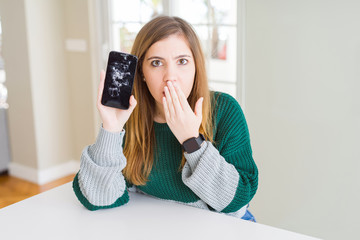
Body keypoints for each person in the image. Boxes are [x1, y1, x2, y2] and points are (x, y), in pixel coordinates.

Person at [72, 15, 258, 222]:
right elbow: (99, 198)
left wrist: (192, 141)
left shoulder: (224, 110)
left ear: (196, 67)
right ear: (141, 72)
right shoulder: (131, 115)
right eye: (157, 63)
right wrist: (111, 128)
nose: (171, 76)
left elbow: (237, 199)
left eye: (182, 61)